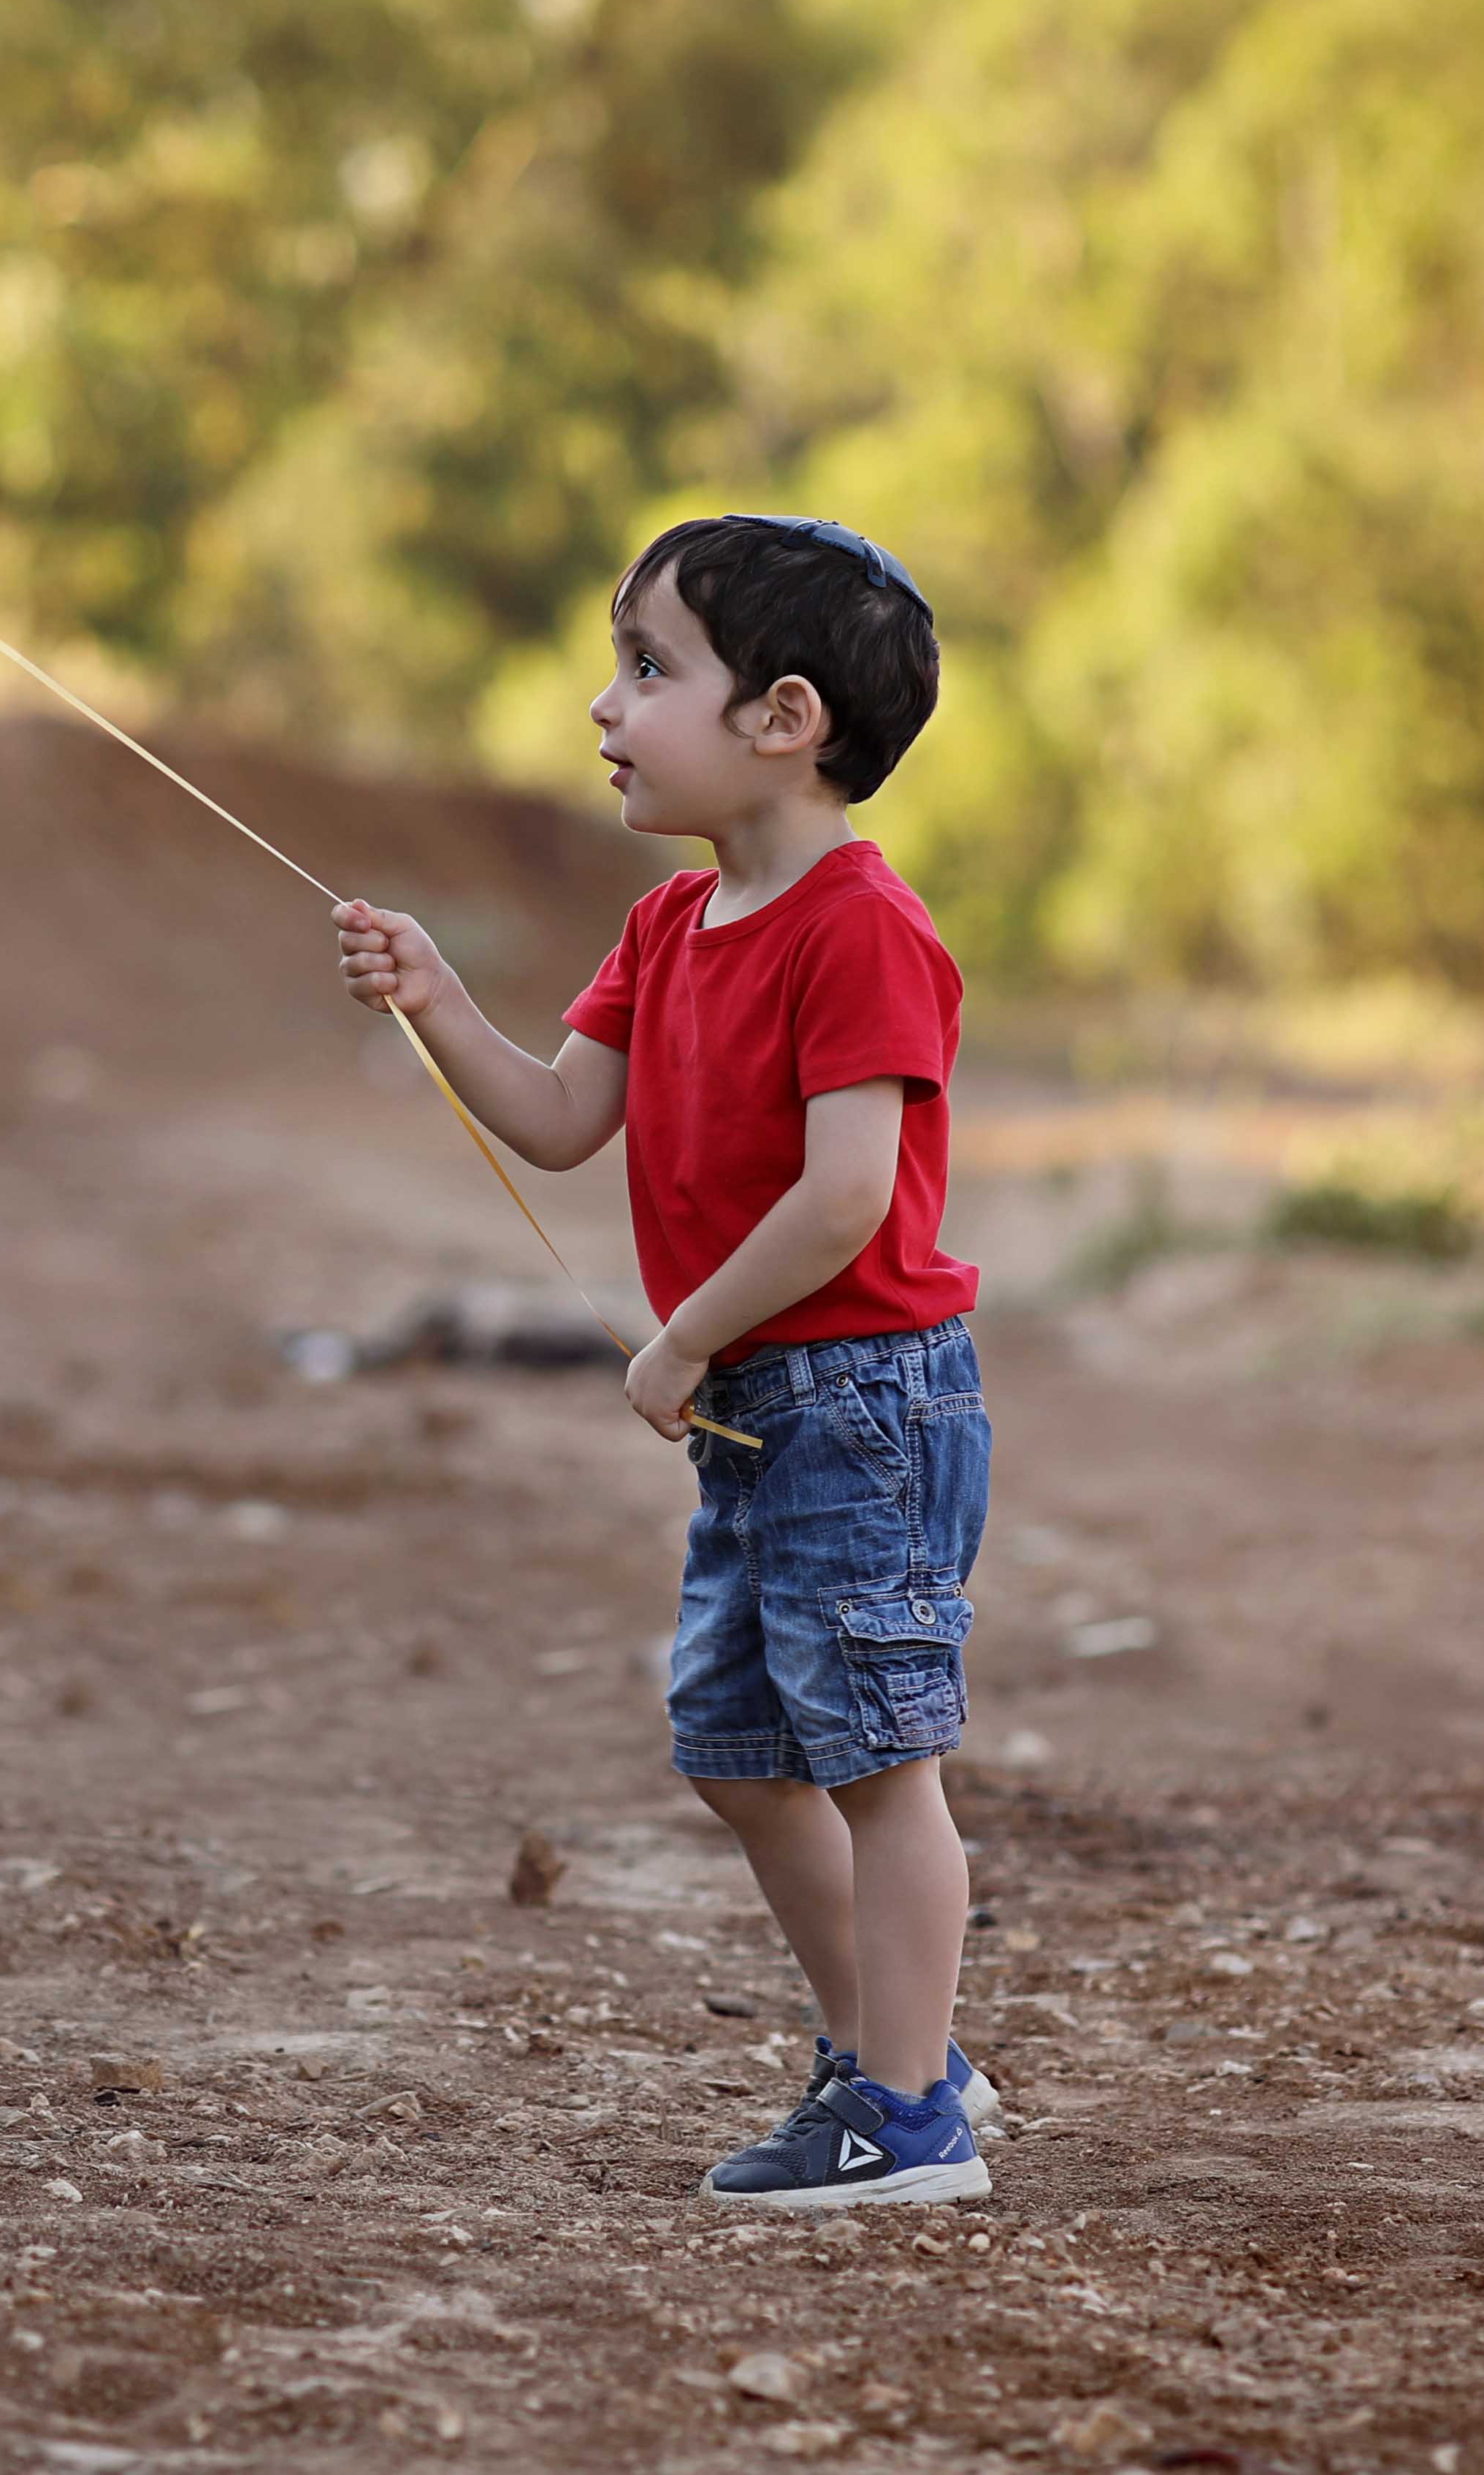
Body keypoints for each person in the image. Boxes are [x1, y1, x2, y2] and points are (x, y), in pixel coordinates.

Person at [332, 514, 996, 2210]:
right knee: (735, 1749)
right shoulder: (668, 925)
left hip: (858, 1395)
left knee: (875, 1757)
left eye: (646, 667)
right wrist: (432, 996)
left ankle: (908, 2114)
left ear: (783, 717)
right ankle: (892, 2059)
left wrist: (686, 1329)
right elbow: (559, 1119)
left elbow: (849, 1194)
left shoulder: (858, 929)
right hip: (754, 1410)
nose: (603, 704)